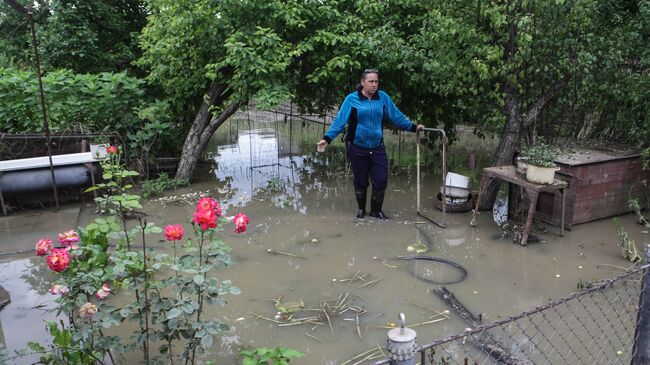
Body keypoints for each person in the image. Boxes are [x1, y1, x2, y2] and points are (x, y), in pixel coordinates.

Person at [316, 69, 424, 219]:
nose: (374, 85)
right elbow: (339, 122)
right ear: (363, 82)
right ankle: (361, 210)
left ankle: (376, 211)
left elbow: (396, 116)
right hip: (357, 147)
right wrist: (326, 139)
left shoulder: (383, 98)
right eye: (371, 81)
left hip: (377, 147)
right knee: (360, 181)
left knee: (381, 180)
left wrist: (413, 127)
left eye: (376, 81)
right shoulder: (352, 99)